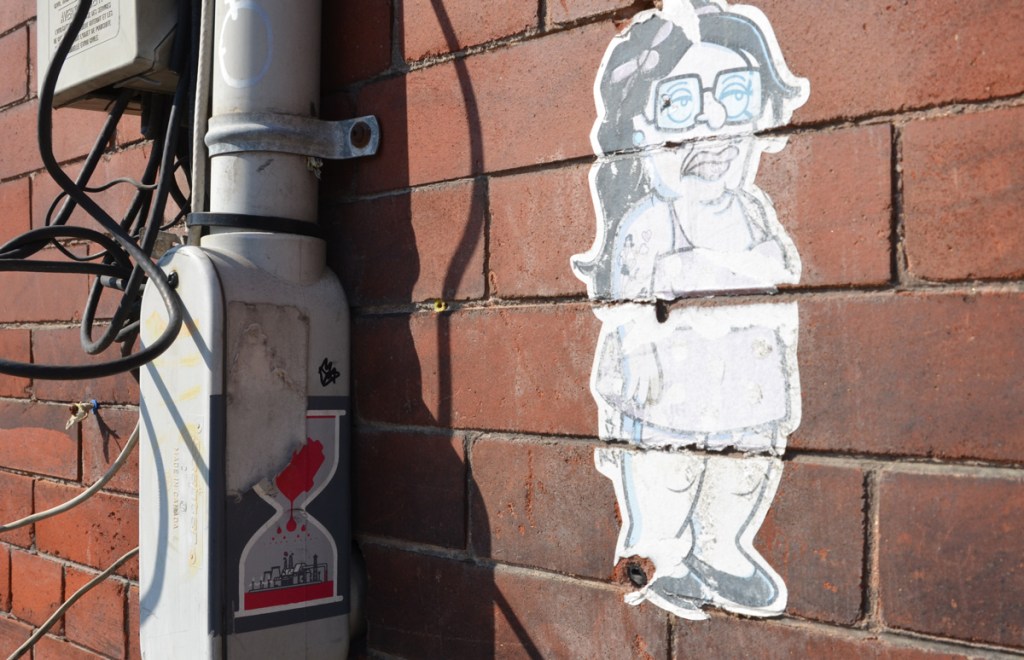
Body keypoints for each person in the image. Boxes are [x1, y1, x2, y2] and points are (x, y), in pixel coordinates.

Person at [571, 0, 809, 619]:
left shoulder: (754, 210)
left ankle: (722, 547)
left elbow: (783, 276)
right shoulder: (651, 221)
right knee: (667, 474)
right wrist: (638, 353)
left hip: (748, 386)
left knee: (743, 470)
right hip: (669, 387)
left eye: (732, 96)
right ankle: (663, 553)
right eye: (681, 102)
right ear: (643, 128)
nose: (709, 126)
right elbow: (626, 300)